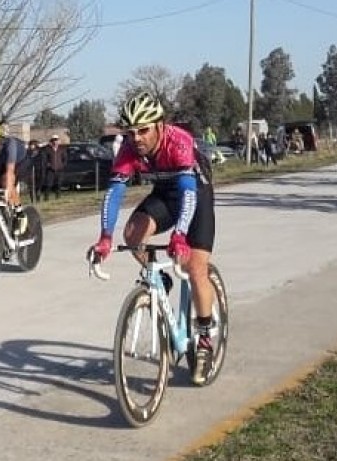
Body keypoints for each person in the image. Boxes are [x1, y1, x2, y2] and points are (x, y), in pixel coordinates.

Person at [89, 91, 216, 385]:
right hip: (164, 195)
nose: (137, 138)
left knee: (196, 267)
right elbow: (114, 192)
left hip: (195, 194)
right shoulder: (129, 150)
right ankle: (161, 282)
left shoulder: (178, 141)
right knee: (132, 234)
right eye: (131, 132)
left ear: (159, 125)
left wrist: (180, 234)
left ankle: (205, 339)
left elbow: (187, 192)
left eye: (143, 130)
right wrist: (105, 237)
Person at [41, 134, 65, 200]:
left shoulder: (62, 149)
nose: (55, 142)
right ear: (51, 141)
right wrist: (48, 165)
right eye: (54, 140)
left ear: (58, 141)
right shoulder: (48, 149)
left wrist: (62, 165)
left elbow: (65, 159)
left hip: (59, 170)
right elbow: (44, 160)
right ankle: (46, 198)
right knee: (48, 185)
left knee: (58, 184)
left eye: (56, 140)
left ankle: (58, 198)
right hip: (50, 170)